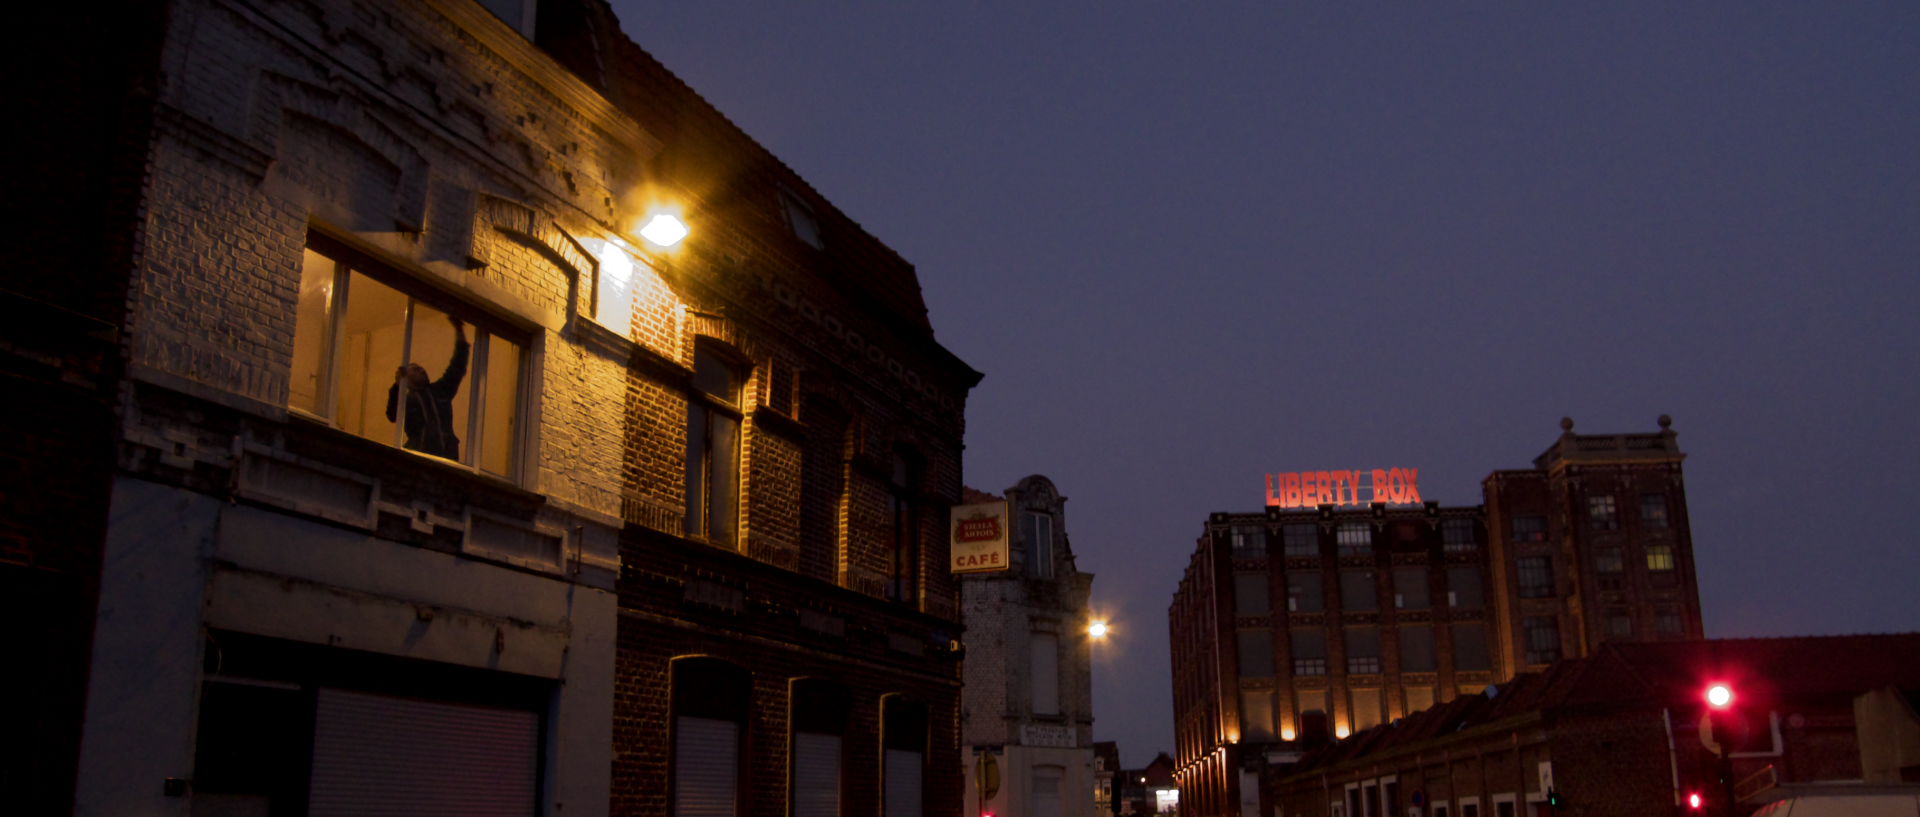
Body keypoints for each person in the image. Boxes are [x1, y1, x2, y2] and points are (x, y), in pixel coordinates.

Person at [386, 314, 468, 459]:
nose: (422, 370)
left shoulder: (440, 391)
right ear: (408, 380)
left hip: (446, 460)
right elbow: (392, 415)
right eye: (416, 369)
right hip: (418, 458)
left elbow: (458, 365)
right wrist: (397, 386)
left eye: (422, 368)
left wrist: (459, 332)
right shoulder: (407, 400)